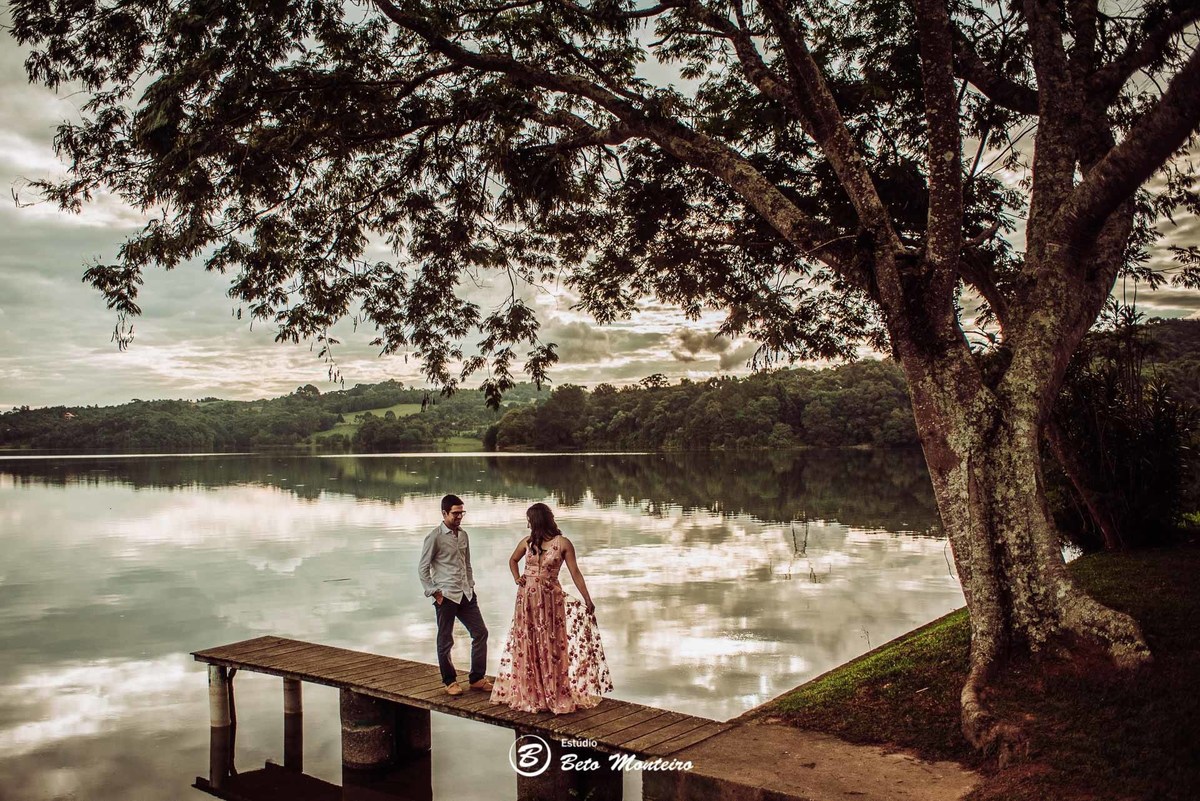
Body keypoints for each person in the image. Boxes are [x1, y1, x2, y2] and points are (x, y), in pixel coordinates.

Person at [490, 502, 613, 713]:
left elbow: (575, 572)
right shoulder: (527, 542)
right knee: (528, 642)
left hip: (550, 602)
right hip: (526, 601)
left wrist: (587, 598)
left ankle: (552, 692)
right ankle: (531, 692)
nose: (528, 524)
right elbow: (512, 560)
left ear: (537, 520)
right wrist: (517, 578)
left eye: (530, 520)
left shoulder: (562, 543)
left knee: (550, 643)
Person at [418, 494, 492, 696]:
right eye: (455, 513)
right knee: (445, 640)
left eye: (462, 513)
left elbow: (466, 564)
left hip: (466, 594)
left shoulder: (464, 535)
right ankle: (449, 681)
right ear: (444, 513)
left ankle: (476, 678)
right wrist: (434, 593)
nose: (459, 517)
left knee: (481, 633)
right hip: (446, 595)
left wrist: (471, 584)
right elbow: (423, 568)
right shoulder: (434, 537)